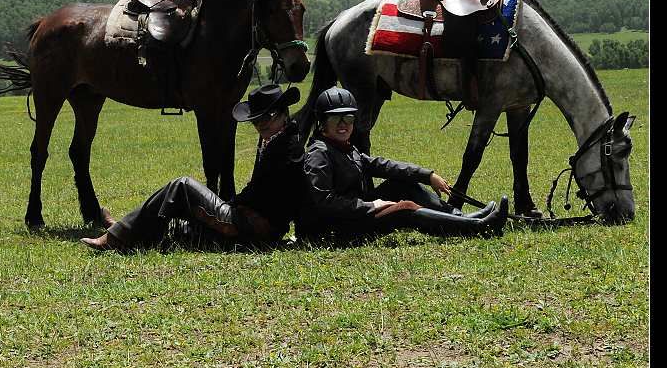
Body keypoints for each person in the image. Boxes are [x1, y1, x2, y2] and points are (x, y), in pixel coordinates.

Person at [81, 84, 306, 251]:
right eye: (256, 120)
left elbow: (268, 196)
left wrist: (234, 205)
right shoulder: (278, 138)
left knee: (182, 186)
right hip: (250, 221)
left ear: (284, 114)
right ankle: (124, 228)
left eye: (268, 117)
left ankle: (116, 236)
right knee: (181, 228)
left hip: (252, 226)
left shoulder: (288, 148)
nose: (261, 124)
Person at [296, 87, 509, 239]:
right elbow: (325, 202)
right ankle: (478, 227)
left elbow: (384, 166)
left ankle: (463, 217)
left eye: (349, 119)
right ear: (321, 122)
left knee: (404, 184)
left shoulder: (342, 147)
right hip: (335, 229)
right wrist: (372, 205)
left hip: (354, 213)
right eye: (336, 119)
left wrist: (426, 175)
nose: (344, 125)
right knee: (405, 209)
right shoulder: (319, 153)